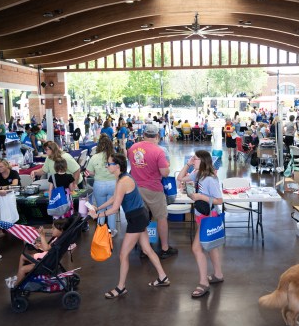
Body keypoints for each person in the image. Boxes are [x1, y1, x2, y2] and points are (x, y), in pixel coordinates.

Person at [88, 153, 171, 299]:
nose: (107, 166)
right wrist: (98, 207)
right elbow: (115, 198)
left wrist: (98, 215)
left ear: (117, 166)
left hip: (137, 219)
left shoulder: (123, 181)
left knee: (123, 254)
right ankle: (163, 277)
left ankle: (121, 287)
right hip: (139, 216)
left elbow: (115, 208)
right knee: (146, 249)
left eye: (109, 164)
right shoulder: (122, 178)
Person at [177, 150, 224, 298]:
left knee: (197, 248)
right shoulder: (197, 174)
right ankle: (218, 274)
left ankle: (203, 282)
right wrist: (188, 164)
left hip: (208, 216)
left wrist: (200, 196)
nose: (192, 160)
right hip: (200, 215)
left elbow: (219, 200)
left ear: (203, 161)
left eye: (195, 159)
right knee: (210, 246)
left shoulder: (210, 179)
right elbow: (180, 178)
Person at [127, 124, 177, 259]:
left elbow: (132, 167)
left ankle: (144, 249)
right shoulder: (159, 151)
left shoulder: (132, 149)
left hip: (136, 189)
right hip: (154, 189)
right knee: (161, 217)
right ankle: (165, 248)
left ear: (143, 135)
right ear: (157, 136)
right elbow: (165, 173)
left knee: (142, 219)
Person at [5, 217, 73, 288]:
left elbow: (47, 248)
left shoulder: (59, 241)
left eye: (53, 228)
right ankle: (19, 277)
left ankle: (16, 287)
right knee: (23, 256)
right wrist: (40, 246)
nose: (51, 230)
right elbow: (48, 248)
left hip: (45, 265)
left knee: (23, 269)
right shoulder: (59, 239)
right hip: (47, 260)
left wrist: (42, 236)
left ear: (61, 230)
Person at [86, 135, 118, 235]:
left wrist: (97, 173)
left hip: (99, 184)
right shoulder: (115, 156)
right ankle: (112, 231)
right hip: (113, 184)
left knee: (100, 208)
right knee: (111, 208)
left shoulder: (95, 157)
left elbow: (89, 171)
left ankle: (100, 231)